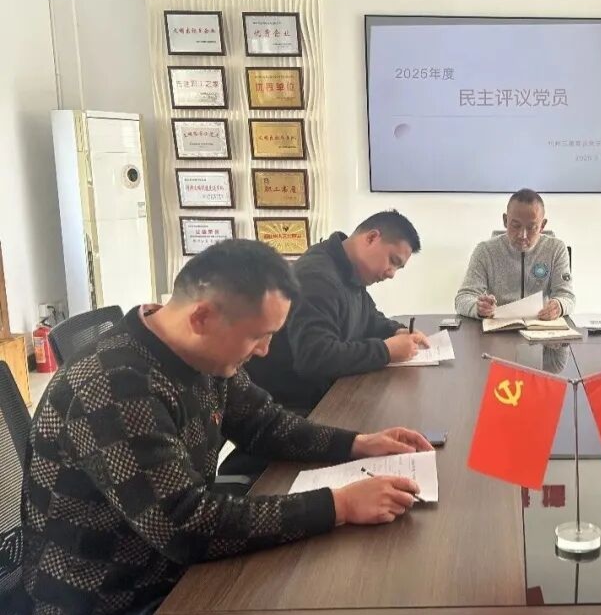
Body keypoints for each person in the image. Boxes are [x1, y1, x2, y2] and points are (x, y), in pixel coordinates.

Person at [17, 240, 433, 615]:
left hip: (174, 568)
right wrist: (339, 505)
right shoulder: (114, 385)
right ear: (202, 317)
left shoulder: (202, 354)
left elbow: (264, 424)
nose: (265, 350)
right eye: (259, 336)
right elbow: (185, 526)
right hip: (118, 595)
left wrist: (359, 444)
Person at [246, 210, 428, 415]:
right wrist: (386, 351)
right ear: (371, 238)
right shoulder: (317, 277)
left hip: (327, 394)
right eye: (393, 261)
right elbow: (315, 358)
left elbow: (368, 317)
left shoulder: (349, 270)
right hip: (292, 409)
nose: (391, 274)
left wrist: (396, 331)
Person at [455, 189, 575, 320]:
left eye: (531, 227)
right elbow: (463, 298)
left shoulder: (556, 250)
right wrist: (477, 307)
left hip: (541, 325)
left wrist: (559, 305)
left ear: (542, 225)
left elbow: (567, 297)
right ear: (505, 220)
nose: (522, 235)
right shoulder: (485, 251)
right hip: (498, 326)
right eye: (516, 226)